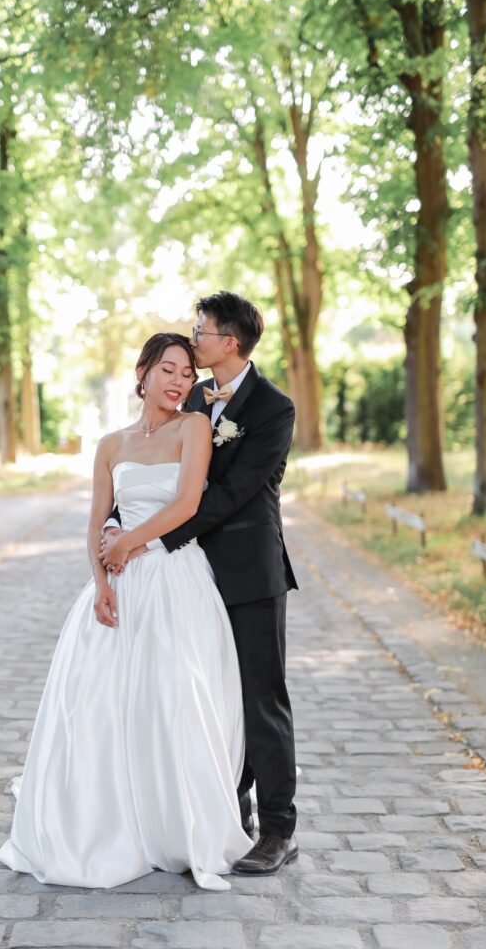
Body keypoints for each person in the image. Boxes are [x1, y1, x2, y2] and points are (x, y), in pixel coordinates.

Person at [0, 333, 252, 891]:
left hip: (173, 574)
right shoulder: (111, 444)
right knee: (99, 702)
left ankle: (174, 820)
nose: (180, 382)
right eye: (168, 370)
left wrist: (130, 542)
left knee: (172, 695)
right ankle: (105, 818)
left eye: (186, 373)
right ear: (143, 372)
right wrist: (101, 578)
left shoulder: (194, 427)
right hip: (120, 583)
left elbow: (187, 504)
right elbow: (94, 522)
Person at [102, 292, 298, 876]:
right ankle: (223, 811)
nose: (193, 339)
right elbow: (144, 472)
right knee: (203, 694)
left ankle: (279, 829)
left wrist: (151, 539)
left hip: (245, 572)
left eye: (201, 331)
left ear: (228, 341)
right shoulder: (187, 394)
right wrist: (119, 525)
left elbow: (228, 495)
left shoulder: (272, 409)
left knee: (260, 699)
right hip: (184, 578)